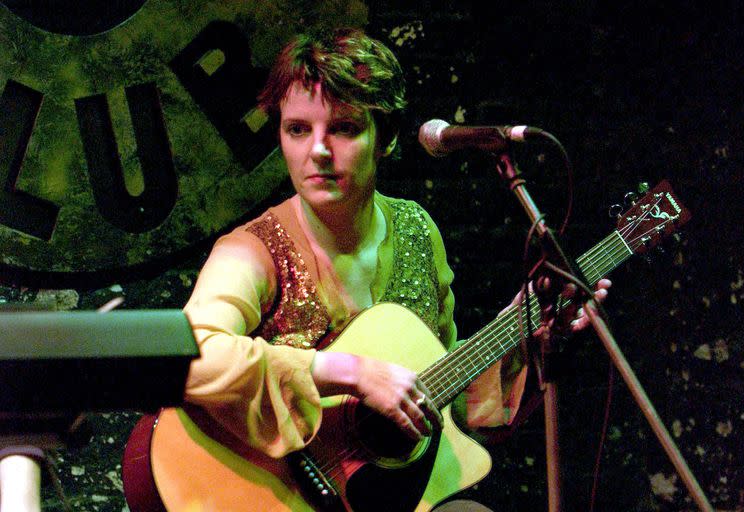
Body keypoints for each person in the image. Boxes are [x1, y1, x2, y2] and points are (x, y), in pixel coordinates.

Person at [182, 27, 610, 510]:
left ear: (383, 137)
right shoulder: (251, 250)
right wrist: (351, 372)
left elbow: (444, 392)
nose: (317, 150)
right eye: (297, 129)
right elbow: (190, 358)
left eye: (343, 127)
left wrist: (523, 337)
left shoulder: (415, 230)